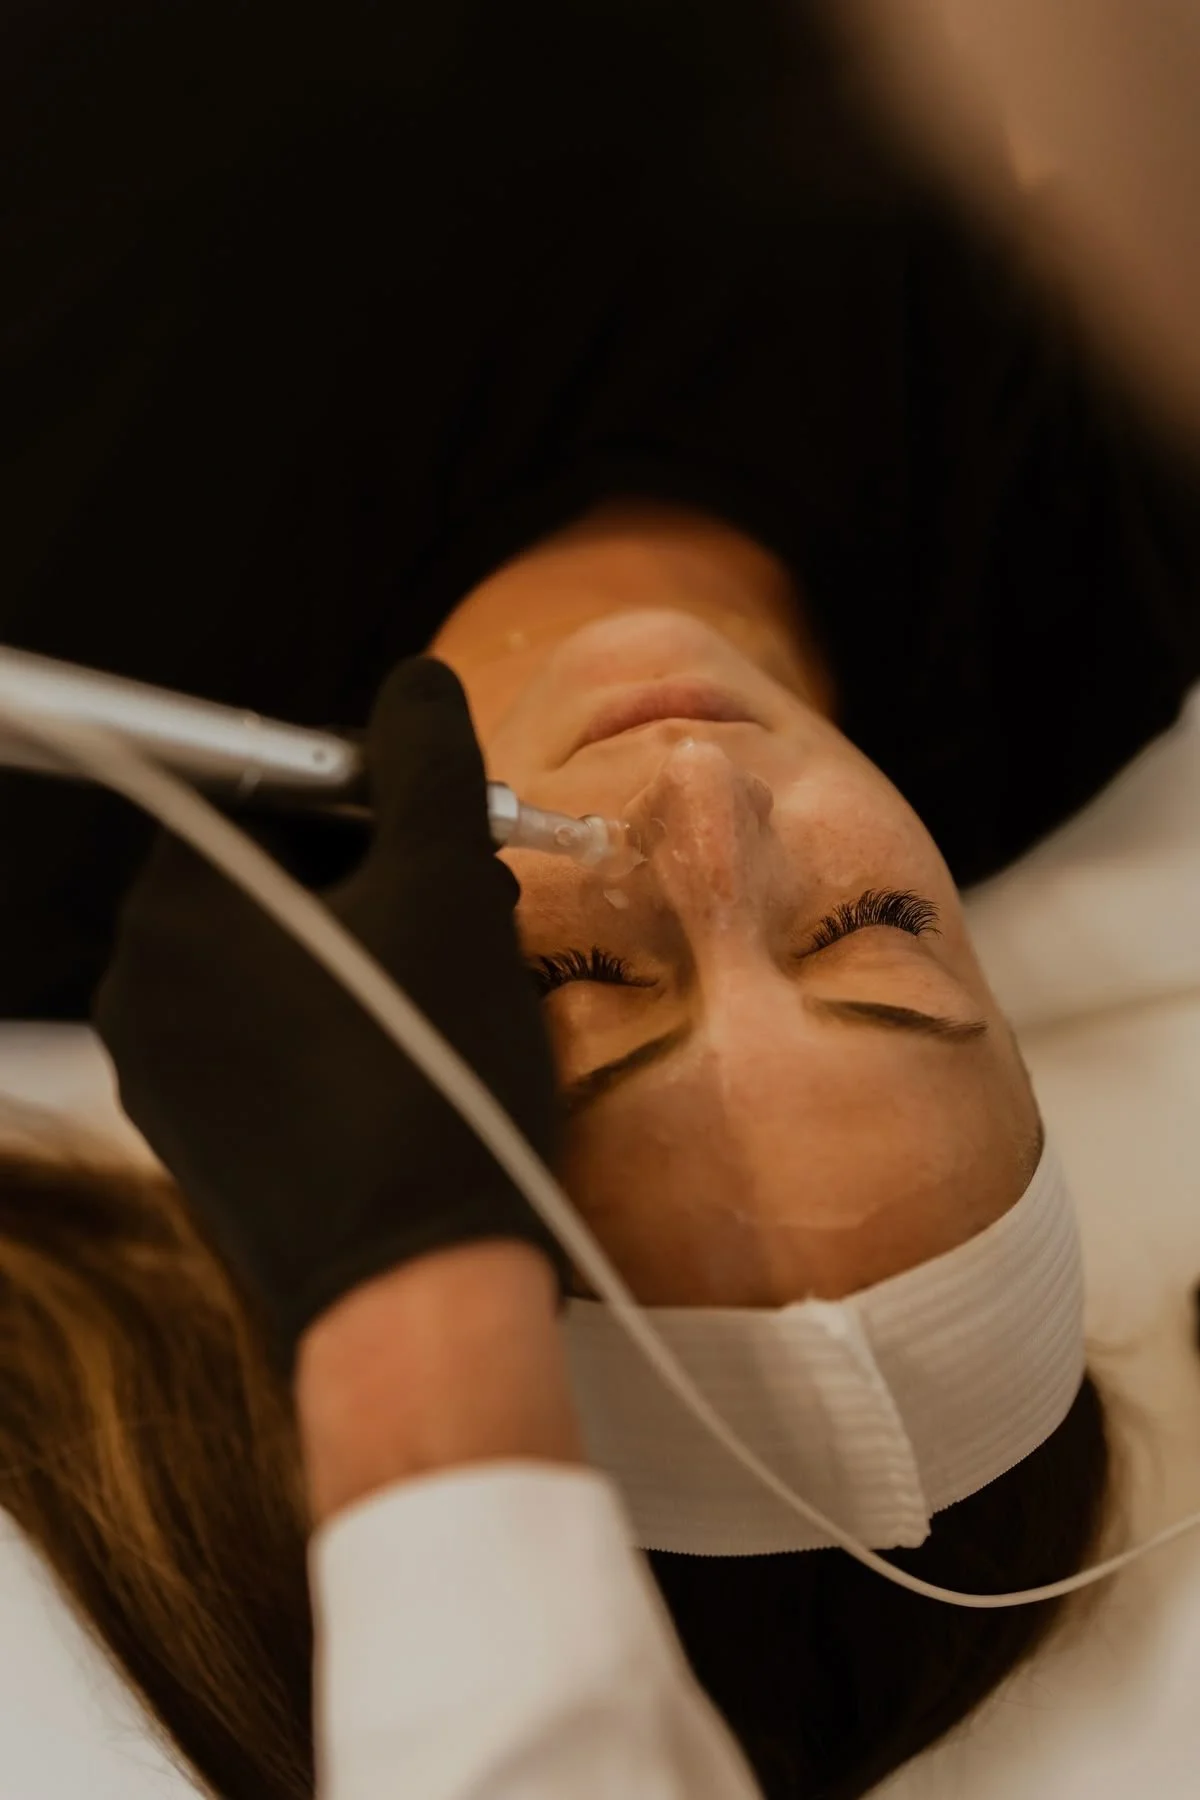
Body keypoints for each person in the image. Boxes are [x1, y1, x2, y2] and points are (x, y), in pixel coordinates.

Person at [0, 0, 1197, 1793]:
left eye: (577, 971)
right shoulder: (1104, 562)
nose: (705, 810)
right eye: (874, 939)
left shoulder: (49, 828)